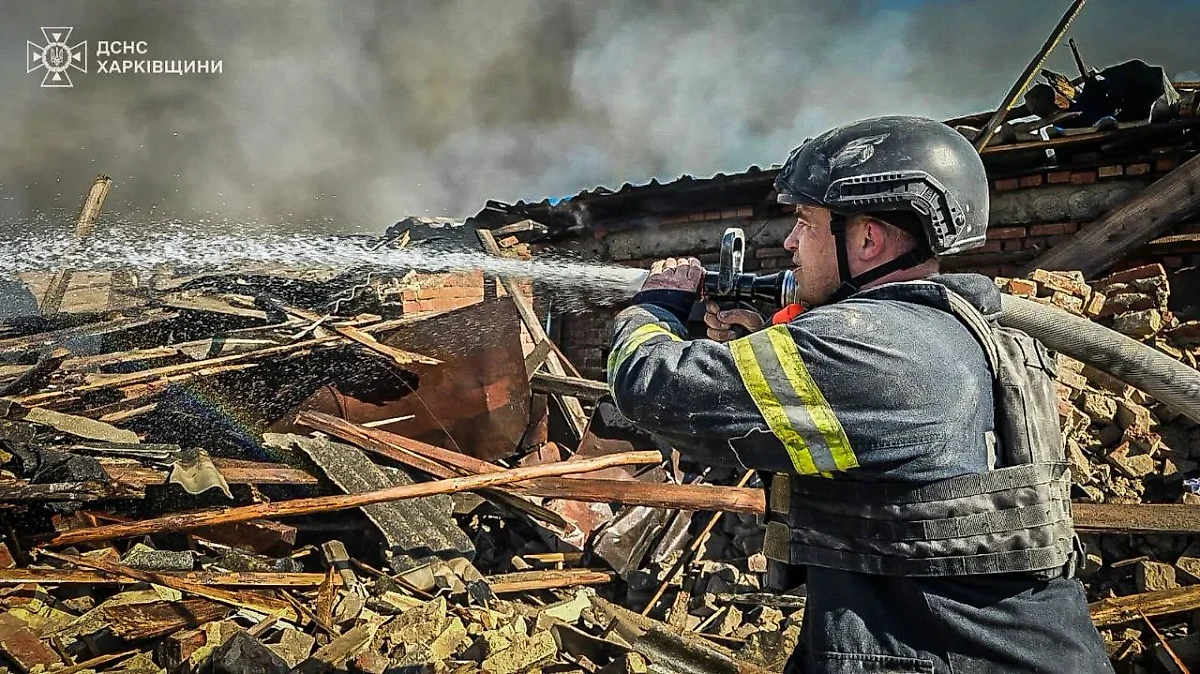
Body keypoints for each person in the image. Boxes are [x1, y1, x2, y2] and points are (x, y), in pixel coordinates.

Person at [605, 115, 1114, 673]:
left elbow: (654, 387)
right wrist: (755, 348)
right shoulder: (955, 335)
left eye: (805, 221)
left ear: (866, 238)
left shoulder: (868, 344)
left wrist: (656, 307)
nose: (790, 242)